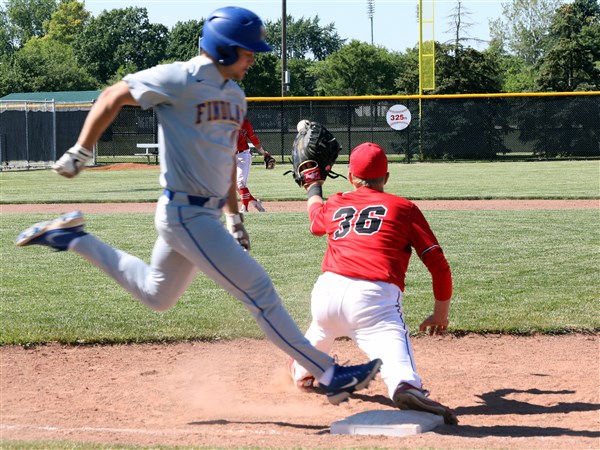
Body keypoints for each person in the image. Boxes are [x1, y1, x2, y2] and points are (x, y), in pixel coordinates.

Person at [15, 6, 381, 406]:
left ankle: (72, 238)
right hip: (183, 212)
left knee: (158, 295)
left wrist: (233, 216)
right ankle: (328, 372)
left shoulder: (235, 96)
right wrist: (82, 150)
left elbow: (224, 158)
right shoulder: (179, 78)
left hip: (204, 214)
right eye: (247, 51)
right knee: (258, 289)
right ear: (223, 50)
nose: (253, 58)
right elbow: (113, 95)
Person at [288, 142, 459, 424]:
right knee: (400, 372)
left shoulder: (338, 201)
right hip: (374, 300)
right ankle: (404, 384)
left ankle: (302, 368)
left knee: (320, 331)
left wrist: (313, 186)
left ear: (351, 177)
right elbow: (439, 266)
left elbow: (315, 221)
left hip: (326, 295)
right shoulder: (404, 208)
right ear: (387, 178)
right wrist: (440, 314)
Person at [236, 118, 268, 213]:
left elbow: (253, 138)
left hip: (243, 155)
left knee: (241, 182)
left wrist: (263, 152)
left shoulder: (244, 122)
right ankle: (255, 203)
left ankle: (244, 208)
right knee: (236, 186)